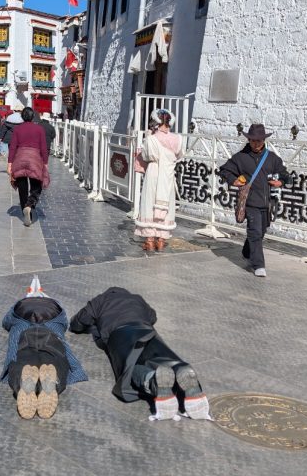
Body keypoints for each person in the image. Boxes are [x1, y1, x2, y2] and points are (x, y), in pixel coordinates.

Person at [70, 286, 211, 421]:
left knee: (129, 367)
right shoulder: (136, 298)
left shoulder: (100, 301)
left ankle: (153, 380)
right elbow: (152, 316)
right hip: (145, 329)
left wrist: (89, 325)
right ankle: (181, 369)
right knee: (162, 356)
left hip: (120, 334)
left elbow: (78, 322)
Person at [1, 275, 87, 419]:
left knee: (19, 355)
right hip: (51, 323)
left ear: (27, 294)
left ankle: (22, 383)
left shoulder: (19, 304)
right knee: (56, 354)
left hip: (22, 324)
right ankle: (52, 382)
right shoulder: (56, 304)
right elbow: (64, 322)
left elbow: (6, 321)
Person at [219, 123, 289, 278]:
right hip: (250, 203)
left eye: (258, 141)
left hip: (267, 203)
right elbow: (224, 170)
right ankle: (258, 265)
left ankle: (246, 252)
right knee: (255, 232)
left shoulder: (272, 158)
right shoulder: (240, 157)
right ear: (248, 140)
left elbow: (285, 174)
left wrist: (281, 182)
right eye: (252, 140)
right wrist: (233, 180)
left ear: (264, 140)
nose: (255, 144)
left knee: (260, 232)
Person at [134, 108, 184, 252]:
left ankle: (149, 240)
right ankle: (161, 240)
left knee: (149, 203)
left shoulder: (151, 138)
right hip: (168, 173)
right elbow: (179, 155)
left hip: (154, 171)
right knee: (166, 204)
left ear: (156, 121)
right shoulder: (178, 139)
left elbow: (148, 156)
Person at [8, 106, 49, 227]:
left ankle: (27, 214)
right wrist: (45, 163)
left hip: (20, 158)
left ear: (22, 116)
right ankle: (29, 204)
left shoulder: (17, 129)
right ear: (32, 117)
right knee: (37, 186)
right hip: (34, 159)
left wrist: (9, 163)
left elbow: (13, 147)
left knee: (22, 188)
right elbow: (43, 148)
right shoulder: (39, 129)